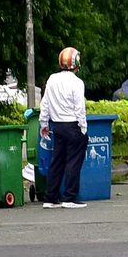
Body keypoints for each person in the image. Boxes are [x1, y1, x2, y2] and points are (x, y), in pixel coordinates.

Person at [41, 48, 89, 209]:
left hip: (57, 125)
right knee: (73, 162)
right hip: (73, 125)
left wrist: (44, 123)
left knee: (57, 161)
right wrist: (83, 127)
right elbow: (79, 108)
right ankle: (69, 197)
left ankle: (50, 197)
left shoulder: (52, 79)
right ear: (76, 63)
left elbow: (45, 103)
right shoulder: (77, 82)